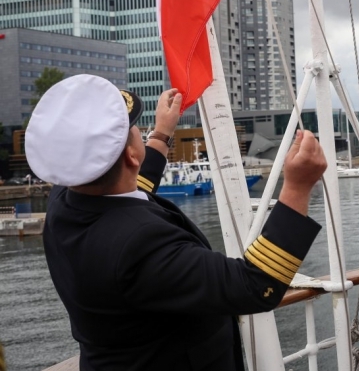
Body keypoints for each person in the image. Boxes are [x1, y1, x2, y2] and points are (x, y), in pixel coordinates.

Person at [26, 74, 326, 371]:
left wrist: (161, 134)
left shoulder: (64, 201)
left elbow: (132, 186)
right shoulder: (139, 245)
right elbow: (255, 285)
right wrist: (297, 188)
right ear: (132, 155)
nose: (138, 133)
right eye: (134, 131)